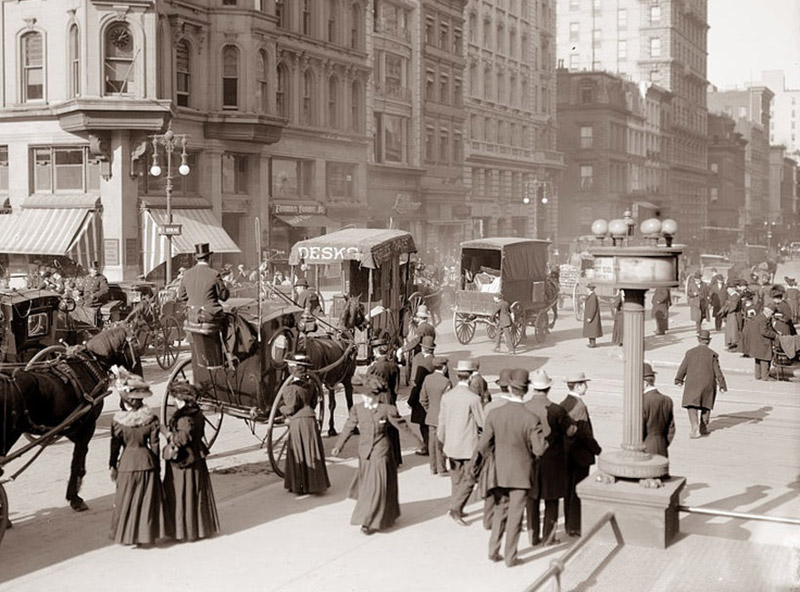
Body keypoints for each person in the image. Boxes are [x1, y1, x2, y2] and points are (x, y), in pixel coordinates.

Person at [331, 376, 422, 535]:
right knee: (369, 488)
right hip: (364, 454)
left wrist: (419, 442)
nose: (368, 399)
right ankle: (385, 515)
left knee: (376, 487)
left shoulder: (387, 410)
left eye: (371, 396)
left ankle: (369, 521)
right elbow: (348, 427)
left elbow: (403, 428)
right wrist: (339, 446)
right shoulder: (357, 409)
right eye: (366, 395)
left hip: (381, 452)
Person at [475, 368, 548, 567]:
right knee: (516, 515)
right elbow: (540, 449)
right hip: (521, 475)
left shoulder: (495, 414)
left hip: (499, 472)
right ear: (525, 391)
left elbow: (482, 445)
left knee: (500, 510)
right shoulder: (531, 418)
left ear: (509, 388)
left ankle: (493, 550)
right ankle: (510, 556)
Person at [108, 372, 163, 546]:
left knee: (126, 500)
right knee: (146, 501)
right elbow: (155, 445)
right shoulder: (151, 420)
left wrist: (112, 465)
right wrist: (157, 466)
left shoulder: (118, 421)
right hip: (147, 462)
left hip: (126, 463)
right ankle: (146, 536)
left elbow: (115, 446)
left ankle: (127, 536)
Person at [162, 382, 220, 542]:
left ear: (181, 399)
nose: (173, 401)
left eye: (175, 398)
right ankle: (198, 527)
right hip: (195, 457)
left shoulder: (185, 418)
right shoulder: (196, 413)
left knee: (182, 494)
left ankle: (184, 530)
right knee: (194, 494)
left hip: (184, 461)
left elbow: (182, 439)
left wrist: (167, 433)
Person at [524, 369, 576, 546]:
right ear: (548, 388)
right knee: (551, 500)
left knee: (531, 499)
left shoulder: (524, 407)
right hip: (552, 462)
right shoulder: (556, 409)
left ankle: (533, 536)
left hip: (529, 462)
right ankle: (548, 537)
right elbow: (570, 431)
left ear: (533, 388)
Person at [438, 359, 485, 526]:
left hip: (451, 445)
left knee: (456, 479)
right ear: (471, 376)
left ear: (458, 376)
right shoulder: (473, 399)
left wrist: (443, 442)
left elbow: (441, 423)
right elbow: (482, 423)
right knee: (470, 479)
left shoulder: (447, 397)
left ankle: (457, 508)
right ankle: (455, 508)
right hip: (468, 446)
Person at [279, 355, 330, 496]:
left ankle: (299, 485)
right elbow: (314, 403)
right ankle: (314, 484)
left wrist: (280, 408)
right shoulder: (311, 384)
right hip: (311, 420)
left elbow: (290, 409)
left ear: (293, 368)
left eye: (290, 365)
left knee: (299, 452)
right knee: (311, 451)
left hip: (298, 423)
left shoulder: (291, 388)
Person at [559, 372, 602, 537]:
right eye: (584, 384)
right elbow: (585, 434)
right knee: (578, 492)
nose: (587, 387)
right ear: (577, 386)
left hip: (567, 454)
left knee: (568, 489)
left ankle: (569, 524)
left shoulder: (564, 403)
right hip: (580, 455)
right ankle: (576, 526)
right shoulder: (580, 406)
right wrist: (597, 450)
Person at [473, 369, 513, 530]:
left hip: (491, 453)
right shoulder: (515, 407)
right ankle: (504, 519)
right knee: (507, 490)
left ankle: (487, 520)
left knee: (491, 487)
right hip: (509, 454)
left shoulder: (490, 406)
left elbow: (483, 429)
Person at [674, 330, 727, 439]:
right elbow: (717, 371)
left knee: (691, 404)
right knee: (706, 404)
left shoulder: (690, 352)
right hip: (707, 382)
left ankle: (694, 425)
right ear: (708, 341)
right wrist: (722, 384)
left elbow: (683, 367)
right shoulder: (713, 354)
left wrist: (679, 379)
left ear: (699, 340)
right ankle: (703, 427)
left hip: (692, 382)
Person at [177, 243, 230, 327]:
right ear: (209, 258)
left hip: (191, 315)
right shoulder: (214, 274)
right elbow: (224, 296)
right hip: (209, 316)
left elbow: (181, 296)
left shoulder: (187, 274)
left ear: (196, 258)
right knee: (232, 321)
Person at [420, 356, 452, 476]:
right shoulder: (446, 382)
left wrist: (429, 409)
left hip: (431, 416)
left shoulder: (427, 379)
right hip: (442, 417)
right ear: (444, 367)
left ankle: (432, 468)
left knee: (432, 443)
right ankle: (441, 468)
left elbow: (422, 398)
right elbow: (449, 401)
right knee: (441, 443)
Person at [407, 335, 436, 456]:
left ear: (423, 348)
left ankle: (427, 447)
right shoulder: (434, 361)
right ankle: (431, 446)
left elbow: (417, 385)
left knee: (423, 425)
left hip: (421, 397)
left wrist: (410, 401)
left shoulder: (421, 362)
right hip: (433, 396)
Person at [642, 363, 675, 458]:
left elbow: (639, 430)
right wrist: (663, 443)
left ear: (645, 383)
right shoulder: (667, 400)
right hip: (662, 448)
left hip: (645, 450)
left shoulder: (642, 402)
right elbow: (671, 429)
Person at [749, 305, 777, 380]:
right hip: (763, 342)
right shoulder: (764, 320)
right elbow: (764, 331)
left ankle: (758, 375)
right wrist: (775, 335)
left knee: (758, 359)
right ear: (768, 312)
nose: (772, 316)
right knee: (765, 359)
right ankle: (765, 376)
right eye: (772, 314)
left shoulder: (758, 317)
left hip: (756, 341)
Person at [719, 286, 742, 351]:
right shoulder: (731, 295)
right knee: (731, 330)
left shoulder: (735, 296)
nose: (727, 290)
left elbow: (733, 307)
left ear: (732, 289)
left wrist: (725, 310)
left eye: (729, 289)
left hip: (733, 315)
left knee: (733, 331)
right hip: (731, 315)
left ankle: (734, 346)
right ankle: (731, 344)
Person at [582, 284, 602, 348]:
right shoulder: (591, 295)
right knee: (590, 330)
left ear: (590, 289)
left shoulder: (593, 296)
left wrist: (590, 317)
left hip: (592, 316)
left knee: (592, 330)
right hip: (591, 316)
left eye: (587, 288)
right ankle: (591, 342)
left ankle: (593, 343)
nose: (586, 289)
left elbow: (593, 308)